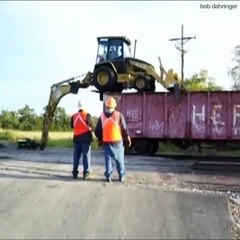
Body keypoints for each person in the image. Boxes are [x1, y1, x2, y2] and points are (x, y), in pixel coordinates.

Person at [95, 96, 131, 183]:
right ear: (114, 106)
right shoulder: (119, 115)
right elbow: (124, 128)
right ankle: (122, 176)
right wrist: (128, 137)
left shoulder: (102, 116)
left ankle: (108, 176)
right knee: (119, 159)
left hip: (106, 141)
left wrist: (100, 139)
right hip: (117, 141)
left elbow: (97, 131)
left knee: (108, 160)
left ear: (106, 106)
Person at [71, 100, 95, 180]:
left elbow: (72, 125)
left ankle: (74, 172)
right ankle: (86, 173)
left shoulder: (73, 116)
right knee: (86, 156)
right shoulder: (87, 115)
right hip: (85, 139)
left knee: (76, 157)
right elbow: (93, 126)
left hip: (76, 139)